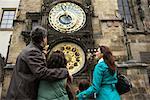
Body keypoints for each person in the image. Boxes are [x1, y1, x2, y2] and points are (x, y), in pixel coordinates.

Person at [6, 26, 69, 100]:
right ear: (43, 39)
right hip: (23, 95)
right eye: (46, 37)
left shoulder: (32, 49)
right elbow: (42, 73)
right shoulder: (33, 51)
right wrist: (65, 72)